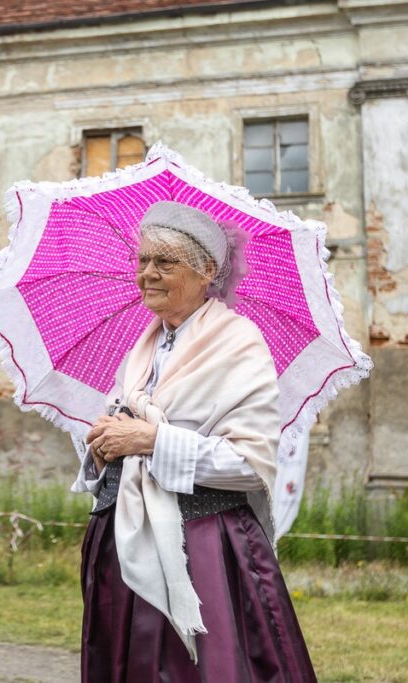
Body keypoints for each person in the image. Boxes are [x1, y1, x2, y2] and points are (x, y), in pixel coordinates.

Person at [73, 201, 317, 682]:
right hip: (124, 541)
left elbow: (248, 463)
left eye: (164, 262)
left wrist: (149, 439)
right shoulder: (144, 347)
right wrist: (103, 444)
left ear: (207, 269)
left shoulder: (239, 344)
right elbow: (128, 436)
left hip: (204, 545)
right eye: (142, 261)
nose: (147, 274)